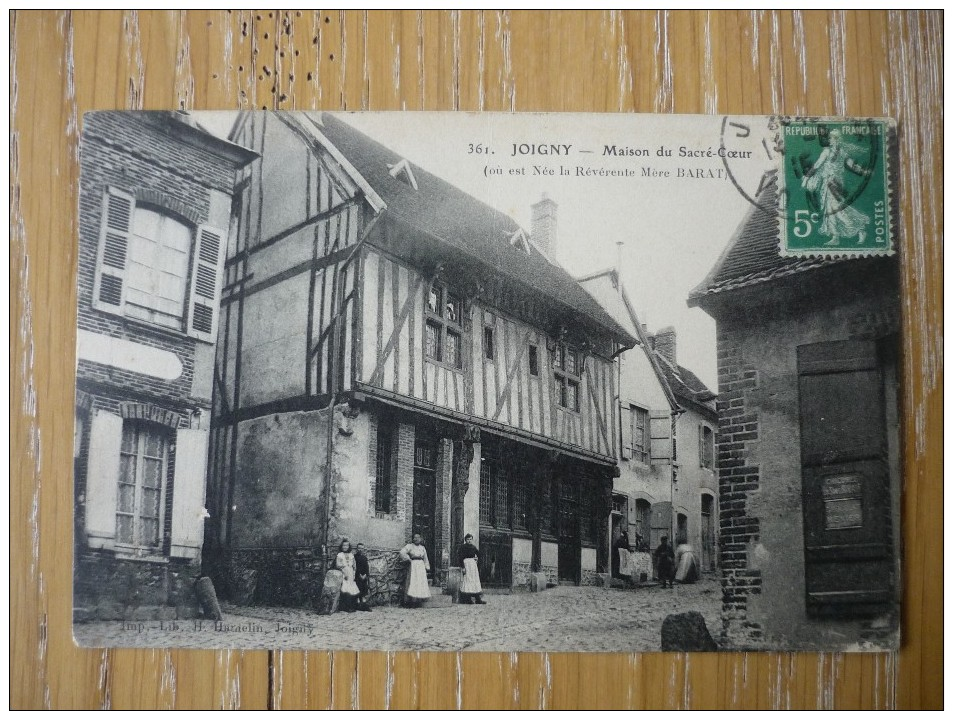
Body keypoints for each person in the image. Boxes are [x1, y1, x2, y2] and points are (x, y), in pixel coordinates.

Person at [399, 533, 431, 607]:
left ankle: (417, 601)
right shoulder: (410, 546)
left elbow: (425, 558)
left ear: (420, 539)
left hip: (421, 566)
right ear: (413, 539)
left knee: (419, 582)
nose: (416, 539)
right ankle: (411, 601)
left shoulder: (422, 548)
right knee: (413, 581)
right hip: (413, 565)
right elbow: (402, 552)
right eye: (415, 538)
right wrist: (408, 559)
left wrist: (427, 567)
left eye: (418, 537)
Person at [458, 533, 486, 604]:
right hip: (466, 564)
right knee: (468, 580)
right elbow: (460, 558)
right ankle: (468, 599)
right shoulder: (462, 547)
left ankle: (478, 599)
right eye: (468, 539)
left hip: (473, 566)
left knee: (474, 581)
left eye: (470, 539)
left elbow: (479, 554)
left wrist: (476, 561)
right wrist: (463, 567)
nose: (469, 541)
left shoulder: (473, 547)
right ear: (465, 540)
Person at [335, 539, 361, 613]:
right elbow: (338, 565)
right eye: (344, 545)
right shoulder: (340, 555)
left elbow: (354, 565)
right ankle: (345, 607)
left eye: (347, 545)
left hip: (350, 573)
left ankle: (352, 606)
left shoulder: (351, 555)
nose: (345, 547)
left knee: (352, 588)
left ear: (349, 546)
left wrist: (353, 573)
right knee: (345, 588)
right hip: (343, 572)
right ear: (341, 546)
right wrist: (344, 573)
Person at [354, 543, 373, 611]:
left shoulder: (365, 558)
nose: (360, 550)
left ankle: (364, 606)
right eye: (359, 548)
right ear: (357, 549)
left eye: (362, 548)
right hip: (357, 577)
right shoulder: (354, 557)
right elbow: (355, 567)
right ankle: (358, 605)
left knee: (364, 591)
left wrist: (365, 575)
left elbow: (366, 567)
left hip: (364, 577)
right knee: (358, 591)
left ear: (363, 549)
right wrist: (359, 575)